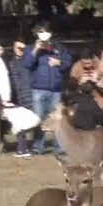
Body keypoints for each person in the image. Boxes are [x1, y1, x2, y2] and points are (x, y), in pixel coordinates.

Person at [22, 20, 71, 155]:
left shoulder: (58, 47)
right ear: (36, 33)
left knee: (57, 119)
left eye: (47, 31)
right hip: (38, 89)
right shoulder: (30, 47)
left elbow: (67, 62)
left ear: (51, 33)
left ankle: (59, 146)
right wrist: (36, 50)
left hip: (55, 89)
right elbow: (26, 63)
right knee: (38, 118)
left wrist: (59, 62)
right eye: (41, 31)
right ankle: (38, 145)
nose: (44, 34)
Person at [8, 38, 32, 157]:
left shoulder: (29, 61)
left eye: (23, 48)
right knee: (19, 123)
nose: (20, 50)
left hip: (30, 93)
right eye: (18, 48)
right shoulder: (12, 63)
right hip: (19, 96)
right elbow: (15, 81)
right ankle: (22, 148)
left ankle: (34, 145)